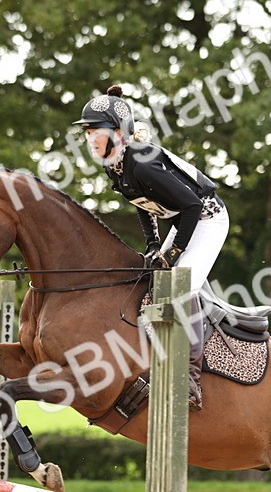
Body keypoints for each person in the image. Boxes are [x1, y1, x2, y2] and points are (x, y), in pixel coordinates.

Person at [73, 85, 229, 410]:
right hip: (184, 220)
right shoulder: (114, 165)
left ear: (118, 133)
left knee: (182, 288)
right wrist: (154, 244)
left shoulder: (142, 163)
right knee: (154, 281)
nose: (90, 139)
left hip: (207, 216)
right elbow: (142, 203)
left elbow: (190, 206)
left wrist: (173, 254)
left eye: (95, 132)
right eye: (87, 133)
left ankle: (191, 380)